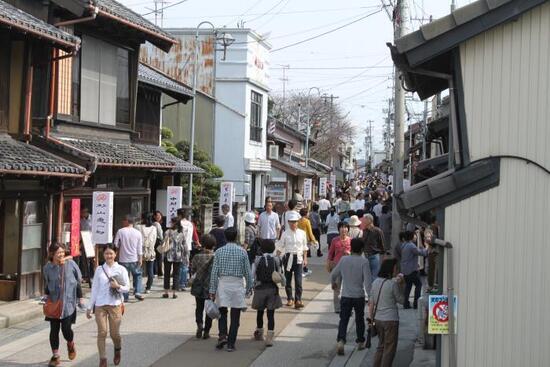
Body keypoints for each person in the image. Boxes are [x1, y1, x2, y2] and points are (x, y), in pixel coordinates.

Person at [209, 227, 253, 352]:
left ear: (225, 237)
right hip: (237, 285)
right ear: (236, 237)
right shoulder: (242, 252)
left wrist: (212, 290)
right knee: (235, 316)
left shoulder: (219, 251)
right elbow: (248, 272)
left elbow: (214, 272)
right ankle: (231, 344)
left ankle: (222, 335)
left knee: (222, 312)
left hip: (223, 284)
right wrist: (249, 286)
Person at [87, 244, 129, 367]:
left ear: (115, 254)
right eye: (106, 253)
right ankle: (103, 359)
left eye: (111, 253)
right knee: (102, 332)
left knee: (114, 334)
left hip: (115, 304)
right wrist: (90, 307)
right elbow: (94, 289)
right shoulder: (99, 269)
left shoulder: (121, 269)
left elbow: (127, 288)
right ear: (103, 255)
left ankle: (117, 349)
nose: (109, 256)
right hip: (100, 304)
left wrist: (118, 287)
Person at [44, 243, 82, 367]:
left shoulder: (71, 264)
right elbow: (47, 284)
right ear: (52, 254)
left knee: (66, 330)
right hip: (54, 303)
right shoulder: (48, 268)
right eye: (58, 253)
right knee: (53, 330)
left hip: (68, 304)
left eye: (62, 252)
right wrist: (45, 297)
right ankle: (55, 356)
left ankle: (70, 344)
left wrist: (80, 298)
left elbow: (78, 281)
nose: (61, 254)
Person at [332, 238, 372, 355]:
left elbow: (334, 273)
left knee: (343, 319)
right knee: (359, 319)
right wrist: (370, 297)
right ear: (361, 249)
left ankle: (341, 340)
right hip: (358, 295)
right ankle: (360, 342)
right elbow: (368, 282)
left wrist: (333, 283)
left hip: (346, 295)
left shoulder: (344, 259)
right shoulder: (364, 262)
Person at [369, 258, 405, 367]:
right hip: (391, 320)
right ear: (391, 270)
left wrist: (371, 320)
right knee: (389, 349)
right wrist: (402, 284)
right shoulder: (392, 284)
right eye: (396, 268)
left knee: (381, 346)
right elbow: (402, 300)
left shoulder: (375, 282)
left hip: (378, 319)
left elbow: (371, 303)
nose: (397, 271)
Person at [251, 239, 283, 347]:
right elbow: (279, 273)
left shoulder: (257, 260)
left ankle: (259, 333)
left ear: (262, 248)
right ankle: (269, 338)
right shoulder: (276, 260)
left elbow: (252, 275)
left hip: (260, 288)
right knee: (271, 314)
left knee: (260, 313)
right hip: (272, 289)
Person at [275, 211, 308, 309]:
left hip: (298, 258)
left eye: (295, 222)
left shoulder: (302, 233)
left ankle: (298, 299)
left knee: (298, 280)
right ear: (288, 222)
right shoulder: (285, 233)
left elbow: (305, 248)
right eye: (291, 222)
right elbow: (280, 246)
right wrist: (276, 258)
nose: (293, 223)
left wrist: (305, 259)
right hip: (288, 257)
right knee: (288, 279)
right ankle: (290, 298)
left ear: (297, 222)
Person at [190, 234, 216, 340]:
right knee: (209, 308)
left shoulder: (197, 256)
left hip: (198, 285)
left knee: (199, 307)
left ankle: (199, 324)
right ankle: (207, 331)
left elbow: (192, 270)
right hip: (210, 286)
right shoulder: (215, 257)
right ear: (213, 245)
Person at [113, 215, 144, 301]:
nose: (122, 222)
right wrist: (140, 258)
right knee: (137, 275)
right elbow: (139, 247)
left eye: (123, 220)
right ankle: (137, 291)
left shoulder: (120, 231)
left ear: (127, 221)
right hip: (134, 258)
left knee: (124, 277)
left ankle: (125, 296)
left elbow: (116, 244)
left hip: (123, 259)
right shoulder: (138, 233)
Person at [395, 231, 428, 309]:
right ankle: (416, 303)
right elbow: (422, 253)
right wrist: (426, 247)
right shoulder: (411, 246)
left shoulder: (403, 245)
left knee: (408, 286)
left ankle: (406, 303)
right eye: (415, 236)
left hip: (405, 270)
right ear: (411, 237)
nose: (416, 237)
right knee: (419, 285)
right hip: (411, 270)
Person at [327, 222, 351, 313]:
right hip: (337, 266)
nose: (343, 229)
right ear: (338, 229)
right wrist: (328, 263)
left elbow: (355, 253)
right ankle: (337, 308)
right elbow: (330, 253)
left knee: (348, 288)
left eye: (345, 227)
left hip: (348, 267)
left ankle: (347, 307)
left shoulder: (351, 240)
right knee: (336, 288)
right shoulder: (334, 240)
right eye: (341, 227)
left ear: (348, 229)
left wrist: (349, 253)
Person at [163, 217, 187, 299]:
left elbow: (164, 242)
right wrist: (185, 255)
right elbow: (184, 245)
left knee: (167, 274)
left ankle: (166, 292)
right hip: (178, 255)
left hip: (168, 255)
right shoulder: (181, 233)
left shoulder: (168, 232)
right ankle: (174, 293)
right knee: (176, 274)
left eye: (171, 222)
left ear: (173, 223)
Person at [135, 212, 157, 294]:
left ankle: (137, 288)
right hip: (150, 251)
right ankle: (148, 287)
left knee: (138, 270)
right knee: (150, 271)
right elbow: (154, 239)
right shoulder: (154, 228)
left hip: (140, 251)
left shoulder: (138, 227)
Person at [362, 214, 385, 282]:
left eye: (364, 220)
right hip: (366, 256)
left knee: (375, 277)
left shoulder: (378, 231)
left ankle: (374, 291)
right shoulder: (364, 231)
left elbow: (382, 244)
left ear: (370, 220)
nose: (363, 221)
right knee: (367, 277)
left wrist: (383, 257)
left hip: (375, 256)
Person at [297, 208, 318, 276]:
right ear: (306, 213)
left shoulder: (298, 221)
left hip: (299, 239)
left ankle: (304, 269)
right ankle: (303, 270)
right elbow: (310, 232)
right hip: (305, 240)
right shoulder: (307, 221)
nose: (309, 214)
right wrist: (314, 241)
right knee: (304, 256)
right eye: (308, 212)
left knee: (300, 255)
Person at [178, 207, 194, 289]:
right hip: (188, 246)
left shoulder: (178, 223)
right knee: (185, 265)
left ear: (179, 215)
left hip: (178, 247)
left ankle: (179, 282)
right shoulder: (190, 224)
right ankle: (183, 283)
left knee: (178, 265)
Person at [152, 211, 165, 277]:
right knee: (159, 257)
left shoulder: (152, 223)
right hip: (158, 241)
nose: (159, 216)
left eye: (160, 215)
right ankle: (159, 273)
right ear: (154, 216)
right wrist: (163, 241)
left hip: (154, 241)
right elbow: (160, 234)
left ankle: (155, 272)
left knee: (154, 257)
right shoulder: (157, 224)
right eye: (157, 215)